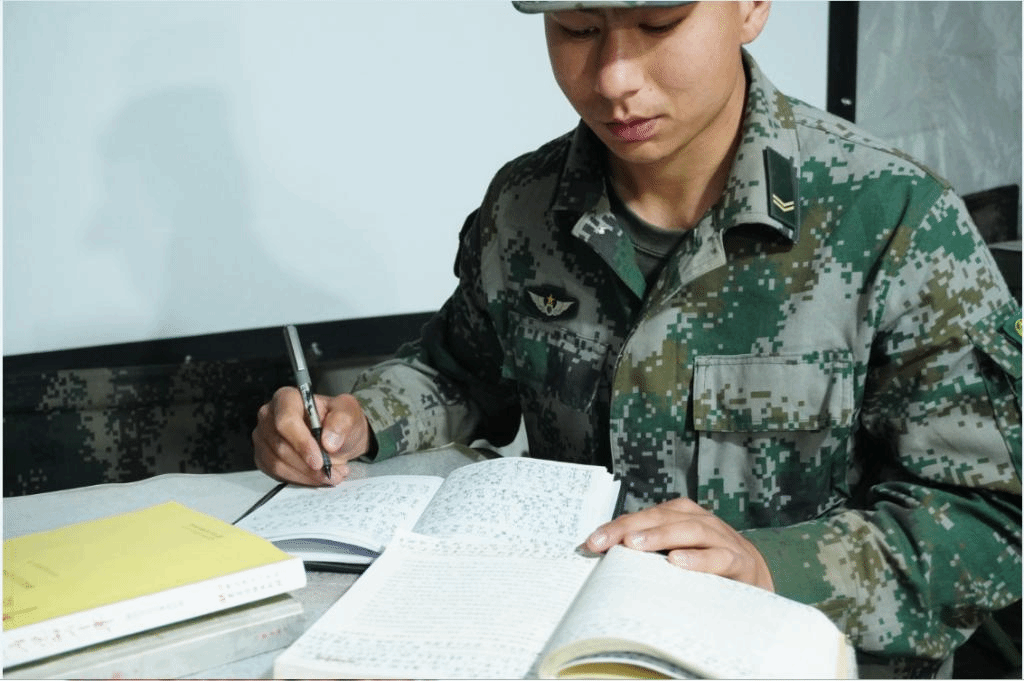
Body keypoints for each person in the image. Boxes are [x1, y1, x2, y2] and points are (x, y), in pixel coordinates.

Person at [253, 1, 1021, 675]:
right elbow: (459, 370)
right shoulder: (524, 205)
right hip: (556, 652)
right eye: (577, 29)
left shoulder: (893, 220)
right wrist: (358, 418)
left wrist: (770, 565)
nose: (614, 77)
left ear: (752, 7)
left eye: (657, 25)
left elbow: (991, 521)